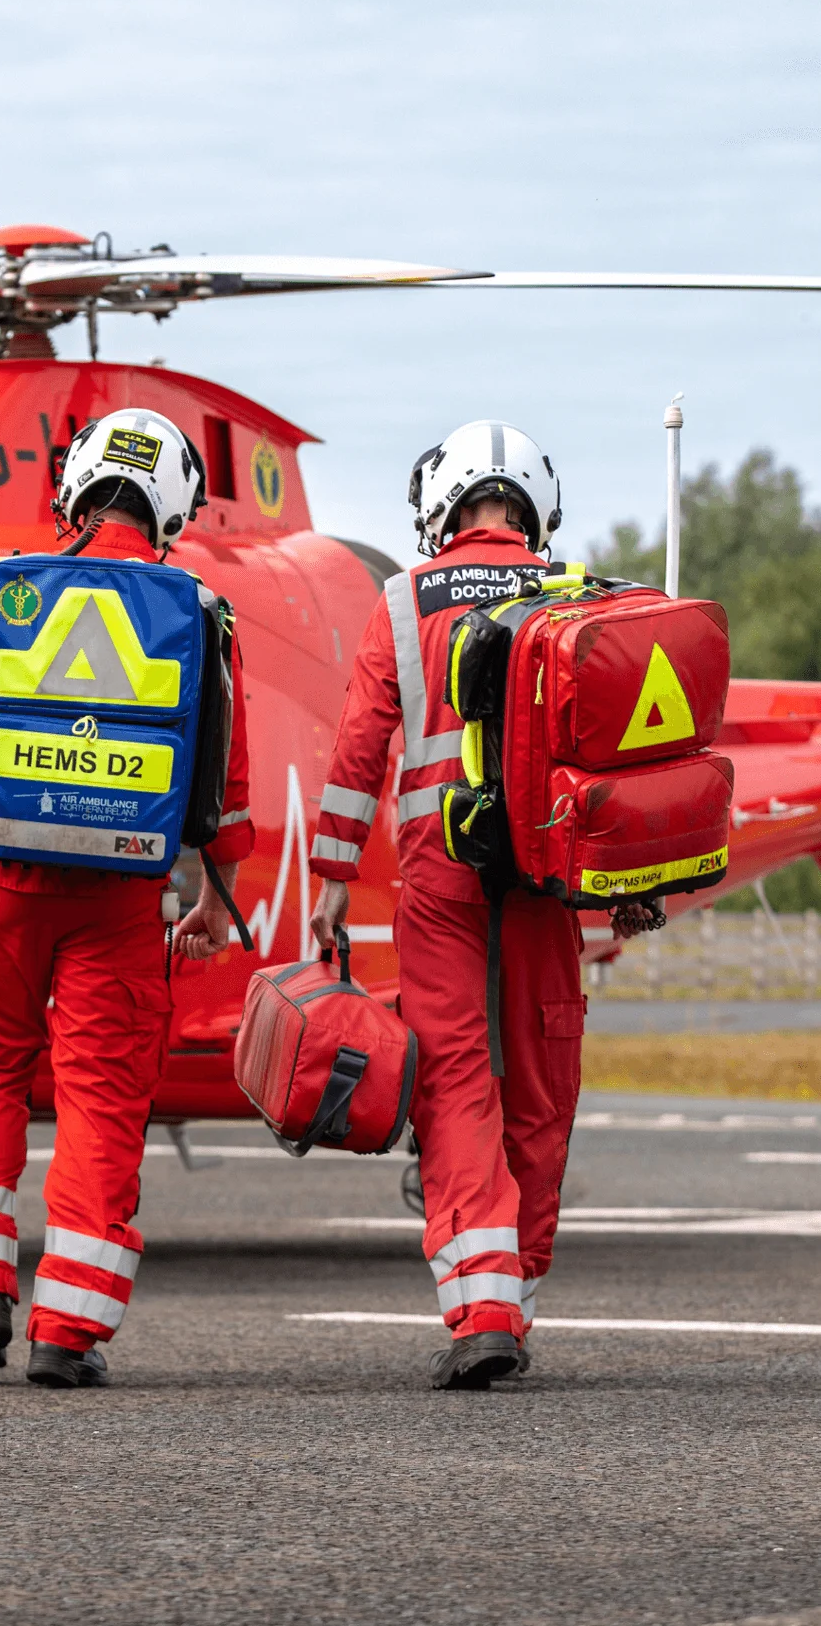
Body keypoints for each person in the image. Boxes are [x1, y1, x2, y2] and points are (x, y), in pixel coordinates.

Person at [0, 408, 255, 1389]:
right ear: (171, 505)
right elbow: (222, 782)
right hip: (120, 894)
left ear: (72, 487)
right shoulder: (192, 609)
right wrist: (215, 892)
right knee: (101, 1094)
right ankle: (65, 1334)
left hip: (0, 881)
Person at [308, 421, 652, 1391]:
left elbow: (357, 748)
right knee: (540, 1080)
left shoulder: (399, 598)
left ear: (440, 507)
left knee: (454, 1078)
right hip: (544, 883)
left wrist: (332, 876)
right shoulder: (578, 597)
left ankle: (480, 1305)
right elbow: (622, 753)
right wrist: (633, 886)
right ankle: (521, 1290)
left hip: (438, 881)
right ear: (533, 505)